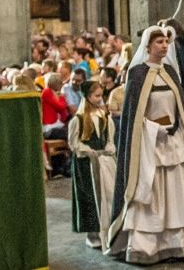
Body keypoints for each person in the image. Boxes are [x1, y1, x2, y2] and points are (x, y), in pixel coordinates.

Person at [105, 25, 184, 264]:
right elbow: (133, 115)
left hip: (173, 142)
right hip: (150, 144)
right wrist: (153, 129)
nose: (163, 45)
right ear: (148, 46)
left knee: (177, 193)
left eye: (165, 41)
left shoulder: (170, 72)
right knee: (152, 194)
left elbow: (179, 107)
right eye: (159, 41)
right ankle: (147, 246)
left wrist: (177, 128)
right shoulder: (138, 74)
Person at [71, 81, 118, 249]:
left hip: (103, 161)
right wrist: (88, 150)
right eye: (96, 96)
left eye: (101, 96)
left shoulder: (103, 116)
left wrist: (108, 147)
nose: (100, 99)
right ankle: (92, 234)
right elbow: (74, 143)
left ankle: (108, 229)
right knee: (89, 197)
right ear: (88, 97)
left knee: (108, 194)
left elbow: (109, 137)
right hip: (86, 164)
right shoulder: (79, 119)